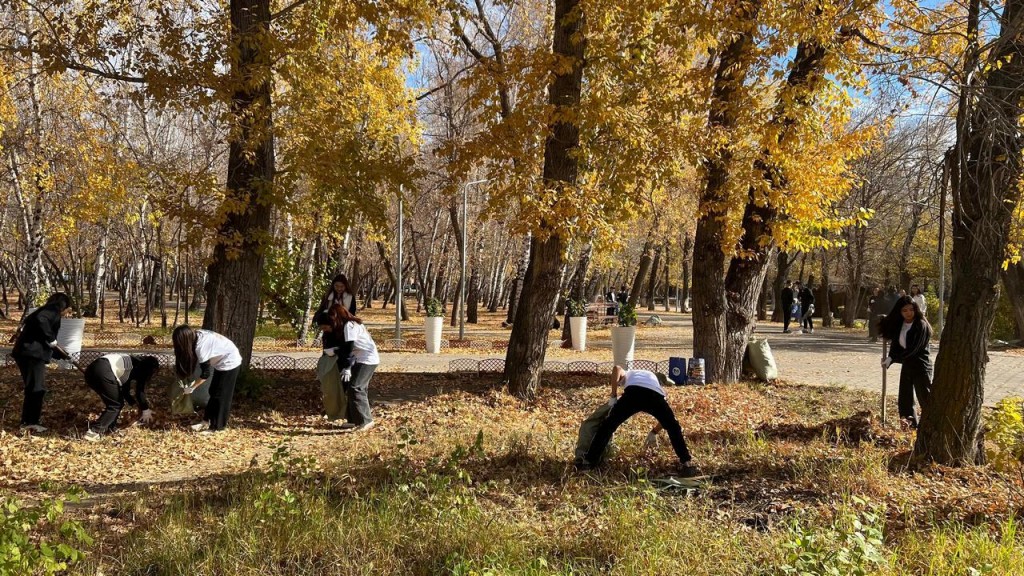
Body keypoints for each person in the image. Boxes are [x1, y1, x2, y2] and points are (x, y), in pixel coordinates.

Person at [580, 366, 701, 477]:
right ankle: (687, 463)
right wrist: (654, 432)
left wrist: (613, 395)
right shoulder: (658, 386)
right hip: (655, 396)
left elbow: (616, 368)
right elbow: (666, 420)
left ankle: (589, 463)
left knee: (608, 426)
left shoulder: (629, 373)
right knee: (673, 426)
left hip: (633, 393)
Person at [12, 293, 78, 433]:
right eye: (68, 308)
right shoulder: (52, 310)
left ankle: (28, 421)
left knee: (34, 388)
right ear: (63, 304)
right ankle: (30, 422)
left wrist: (64, 356)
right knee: (37, 388)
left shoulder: (46, 310)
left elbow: (44, 340)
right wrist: (51, 337)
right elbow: (42, 323)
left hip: (27, 353)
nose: (67, 313)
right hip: (31, 355)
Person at [172, 325, 242, 433]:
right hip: (221, 361)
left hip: (230, 362)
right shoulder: (196, 335)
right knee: (213, 391)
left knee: (221, 396)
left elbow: (205, 374)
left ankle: (217, 427)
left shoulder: (201, 347)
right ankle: (206, 421)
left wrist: (192, 387)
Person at [879, 296, 932, 429]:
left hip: (921, 365)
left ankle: (931, 425)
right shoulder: (901, 325)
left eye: (911, 309)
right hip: (907, 364)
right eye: (904, 310)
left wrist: (895, 359)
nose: (908, 313)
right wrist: (889, 358)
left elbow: (913, 349)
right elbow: (896, 345)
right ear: (900, 312)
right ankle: (910, 424)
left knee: (925, 397)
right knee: (905, 397)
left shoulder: (921, 325)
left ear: (916, 309)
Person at [324, 305, 379, 430]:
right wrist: (336, 350)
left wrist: (347, 367)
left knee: (356, 387)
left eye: (332, 318)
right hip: (359, 358)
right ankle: (353, 420)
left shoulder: (350, 325)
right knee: (351, 388)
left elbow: (349, 347)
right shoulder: (348, 325)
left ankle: (366, 420)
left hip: (367, 360)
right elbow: (346, 347)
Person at [82, 354, 161, 441]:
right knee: (115, 405)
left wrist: (133, 403)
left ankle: (110, 427)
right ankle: (94, 432)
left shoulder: (133, 363)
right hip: (104, 371)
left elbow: (124, 390)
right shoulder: (141, 369)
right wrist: (145, 410)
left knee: (115, 402)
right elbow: (139, 391)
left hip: (91, 370)